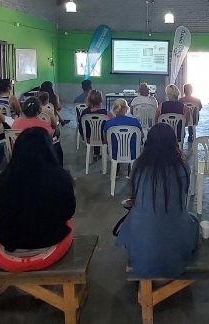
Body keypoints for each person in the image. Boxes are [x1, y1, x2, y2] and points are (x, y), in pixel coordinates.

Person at [116, 123, 199, 278]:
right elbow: (182, 200)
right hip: (176, 239)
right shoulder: (183, 167)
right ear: (174, 143)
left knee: (135, 224)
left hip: (142, 242)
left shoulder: (138, 166)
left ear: (148, 143)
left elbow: (132, 196)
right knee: (194, 221)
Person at [0, 128, 75, 272]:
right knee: (70, 224)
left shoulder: (3, 179)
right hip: (47, 250)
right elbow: (68, 211)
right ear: (49, 149)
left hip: (7, 253)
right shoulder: (60, 177)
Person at [104, 99, 143, 175]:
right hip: (133, 153)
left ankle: (116, 169)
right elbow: (141, 136)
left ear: (114, 109)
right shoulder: (135, 121)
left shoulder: (108, 123)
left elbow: (105, 140)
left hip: (114, 153)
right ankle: (130, 169)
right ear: (126, 109)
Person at [79, 90, 111, 160]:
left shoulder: (84, 113)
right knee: (100, 131)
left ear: (89, 99)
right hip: (103, 139)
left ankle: (96, 154)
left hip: (88, 138)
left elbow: (80, 128)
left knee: (94, 130)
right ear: (101, 100)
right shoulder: (106, 113)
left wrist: (84, 136)